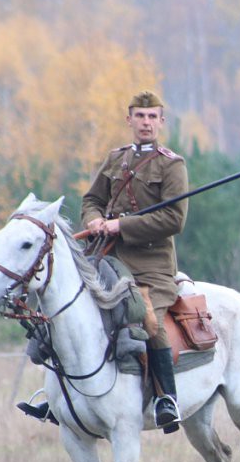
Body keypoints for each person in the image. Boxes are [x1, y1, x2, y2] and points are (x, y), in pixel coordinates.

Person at [19, 89, 189, 433]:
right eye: (140, 117)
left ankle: (165, 399)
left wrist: (121, 225)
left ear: (161, 121)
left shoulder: (172, 165)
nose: (146, 123)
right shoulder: (116, 160)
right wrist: (95, 219)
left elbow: (174, 219)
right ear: (129, 120)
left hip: (150, 267)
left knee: (148, 321)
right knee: (64, 312)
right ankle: (59, 399)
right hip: (104, 259)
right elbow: (91, 199)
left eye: (152, 117)